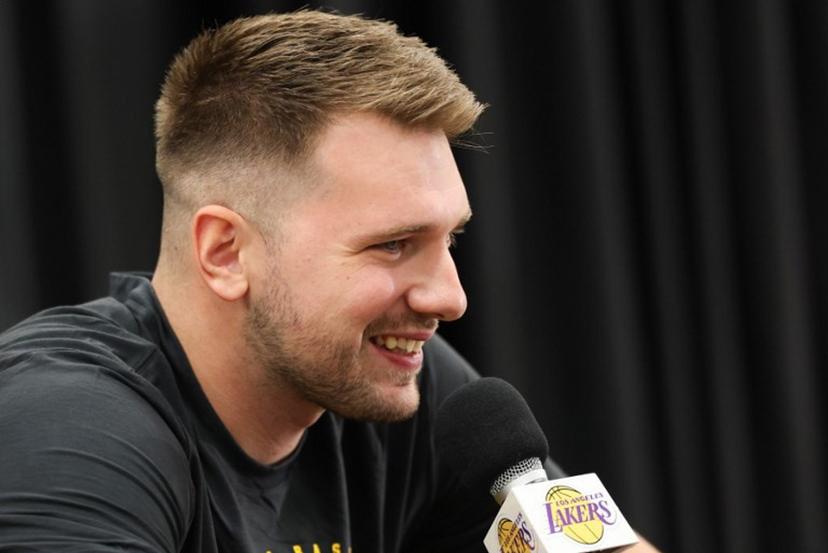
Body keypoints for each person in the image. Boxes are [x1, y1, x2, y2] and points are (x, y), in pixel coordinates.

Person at [0, 10, 659, 553]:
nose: (450, 298)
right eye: (394, 244)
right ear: (226, 252)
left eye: (448, 239)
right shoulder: (71, 426)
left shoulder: (405, 385)